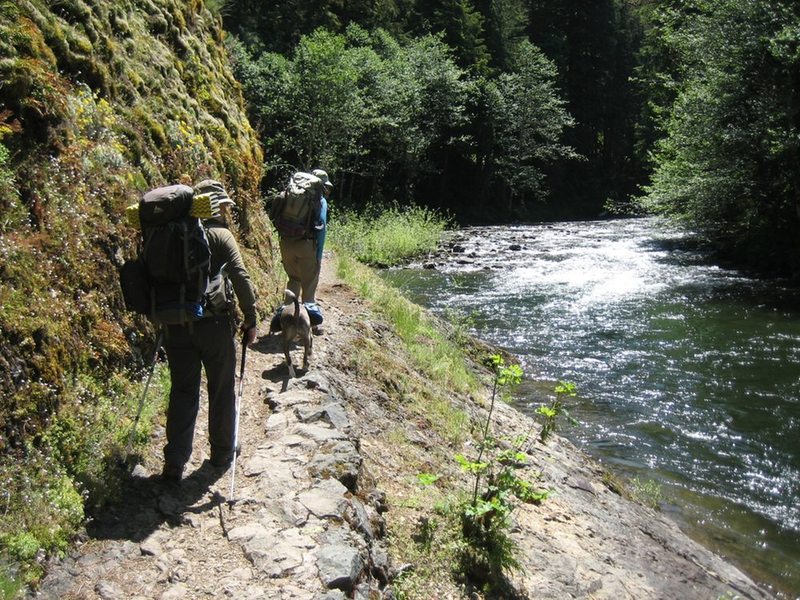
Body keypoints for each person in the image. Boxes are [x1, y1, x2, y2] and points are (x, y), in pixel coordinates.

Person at [161, 179, 258, 482]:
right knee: (220, 388)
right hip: (214, 325)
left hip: (176, 324)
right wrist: (251, 317)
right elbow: (240, 277)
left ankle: (175, 461)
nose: (229, 212)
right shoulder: (221, 235)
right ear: (218, 207)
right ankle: (221, 452)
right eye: (227, 206)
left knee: (183, 390)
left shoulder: (172, 233)